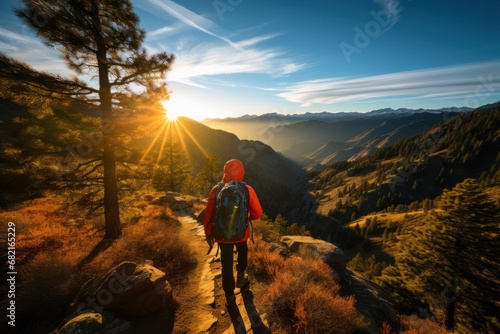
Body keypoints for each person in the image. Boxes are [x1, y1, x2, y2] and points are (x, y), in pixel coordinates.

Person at [204, 159, 263, 308]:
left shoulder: (216, 190)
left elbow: (209, 215)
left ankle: (229, 296)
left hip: (222, 235)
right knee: (243, 250)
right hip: (241, 232)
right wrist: (246, 218)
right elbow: (258, 213)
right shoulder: (248, 189)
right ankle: (241, 277)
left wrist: (208, 233)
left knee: (226, 264)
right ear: (242, 172)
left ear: (225, 171)